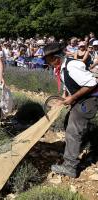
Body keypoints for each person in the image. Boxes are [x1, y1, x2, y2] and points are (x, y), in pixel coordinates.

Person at [44, 43, 98, 178]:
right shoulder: (62, 67)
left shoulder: (72, 66)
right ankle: (88, 146)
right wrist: (63, 99)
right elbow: (69, 86)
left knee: (73, 131)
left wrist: (72, 98)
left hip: (88, 101)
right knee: (70, 123)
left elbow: (92, 83)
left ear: (56, 58)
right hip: (82, 99)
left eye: (48, 59)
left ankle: (70, 167)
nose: (47, 63)